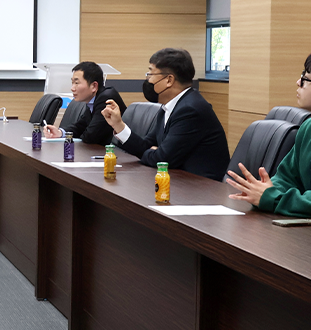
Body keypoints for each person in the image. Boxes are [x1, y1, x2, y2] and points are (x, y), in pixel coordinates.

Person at [101, 48, 229, 180]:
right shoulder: (168, 107)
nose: (148, 80)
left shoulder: (191, 110)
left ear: (169, 80)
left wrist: (155, 153)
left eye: (150, 74)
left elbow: (162, 159)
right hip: (178, 181)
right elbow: (146, 147)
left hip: (200, 189)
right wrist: (119, 125)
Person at [227, 54, 311, 217]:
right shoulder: (308, 126)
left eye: (306, 78)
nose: (298, 83)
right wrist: (266, 190)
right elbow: (287, 177)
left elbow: (275, 197)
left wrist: (273, 198)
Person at [43, 61, 127, 146]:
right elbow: (81, 126)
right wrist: (60, 133)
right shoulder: (93, 99)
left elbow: (91, 136)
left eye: (76, 83)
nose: (72, 88)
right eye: (72, 82)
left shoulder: (106, 99)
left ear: (94, 86)